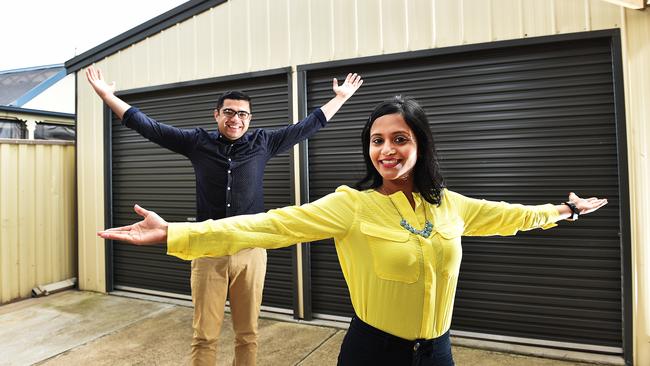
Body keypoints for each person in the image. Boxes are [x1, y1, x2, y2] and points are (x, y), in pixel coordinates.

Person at [97, 96, 607, 366]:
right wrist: (175, 235)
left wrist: (566, 210)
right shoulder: (351, 206)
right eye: (376, 140)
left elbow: (510, 216)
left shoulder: (450, 205)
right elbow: (270, 224)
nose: (386, 150)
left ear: (421, 145)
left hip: (438, 353)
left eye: (399, 139)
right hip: (374, 351)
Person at [85, 65, 363, 366]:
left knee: (248, 333)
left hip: (251, 251)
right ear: (216, 115)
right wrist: (107, 96)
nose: (236, 119)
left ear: (250, 119)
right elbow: (148, 126)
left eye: (243, 114)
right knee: (204, 336)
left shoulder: (263, 143)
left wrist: (340, 98)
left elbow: (308, 126)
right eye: (229, 112)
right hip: (207, 252)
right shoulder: (197, 142)